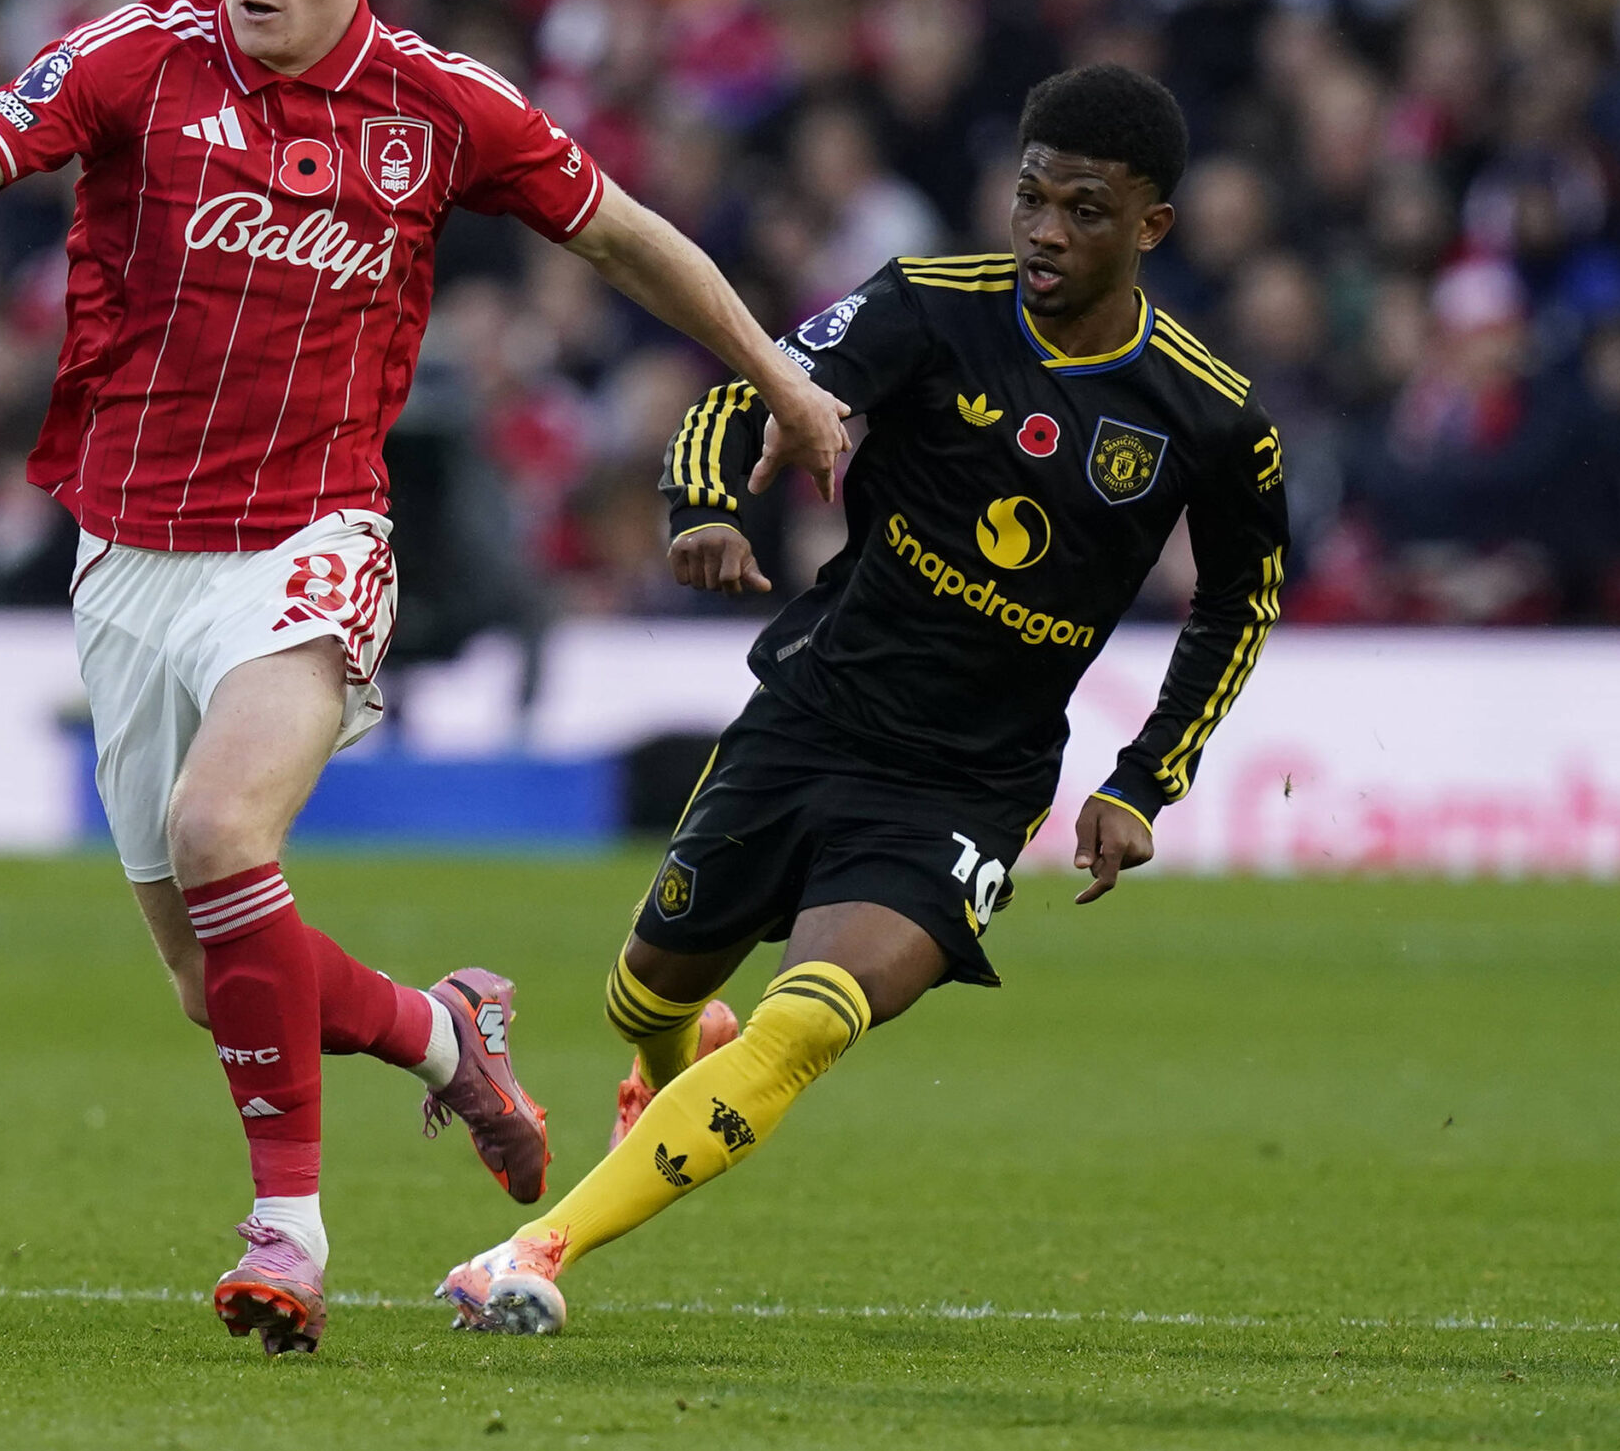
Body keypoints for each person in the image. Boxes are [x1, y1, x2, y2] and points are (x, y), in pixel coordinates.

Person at [0, 0, 848, 1355]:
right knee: (214, 981)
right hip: (127, 554)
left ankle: (288, 1231)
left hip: (313, 537)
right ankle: (448, 1033)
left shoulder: (440, 105)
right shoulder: (138, 58)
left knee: (219, 829)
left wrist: (781, 379)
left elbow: (628, 238)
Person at [438, 65, 1291, 1334]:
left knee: (807, 1023)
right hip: (814, 714)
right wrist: (708, 510)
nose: (1046, 231)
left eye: (1085, 211)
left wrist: (1141, 778)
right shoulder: (928, 307)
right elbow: (745, 396)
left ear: (1151, 226)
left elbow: (1239, 601)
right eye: (1031, 198)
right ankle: (664, 1068)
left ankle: (534, 1251)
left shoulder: (1208, 416)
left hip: (968, 782)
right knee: (644, 992)